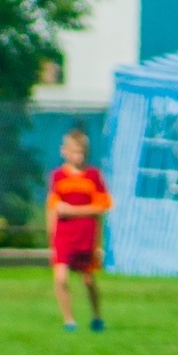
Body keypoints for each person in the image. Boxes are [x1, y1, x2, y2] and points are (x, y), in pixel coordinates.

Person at [46, 129, 111, 332]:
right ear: (64, 151)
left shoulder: (93, 176)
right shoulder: (57, 177)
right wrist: (52, 237)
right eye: (75, 152)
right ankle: (69, 321)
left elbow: (101, 206)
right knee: (61, 278)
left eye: (82, 152)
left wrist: (73, 211)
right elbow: (53, 207)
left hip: (86, 236)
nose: (79, 156)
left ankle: (97, 316)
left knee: (88, 280)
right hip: (65, 236)